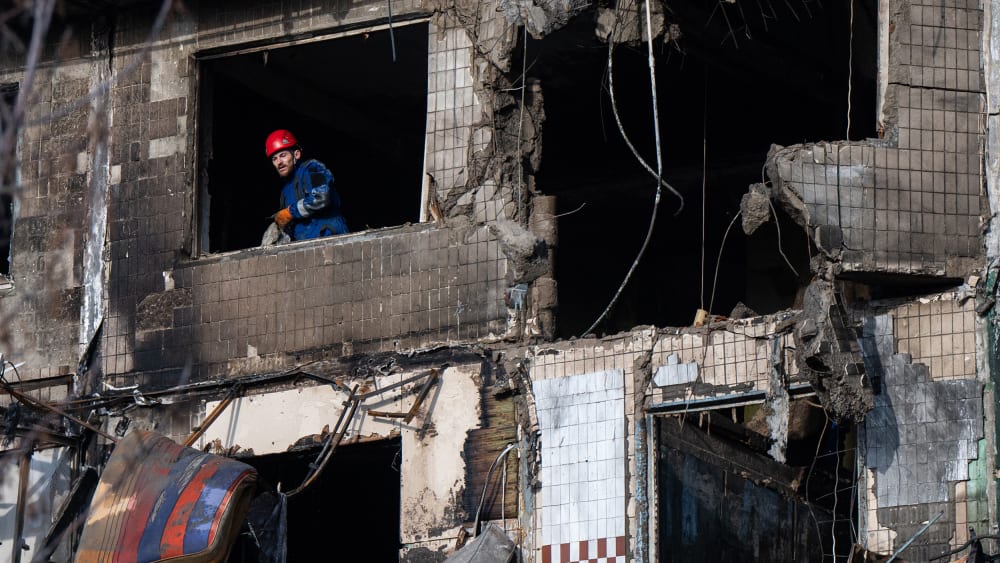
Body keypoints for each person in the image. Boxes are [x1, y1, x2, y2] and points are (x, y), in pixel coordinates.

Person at [265, 129, 348, 241]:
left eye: (283, 155)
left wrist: (290, 212)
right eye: (274, 159)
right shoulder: (285, 192)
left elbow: (321, 198)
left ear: (296, 154)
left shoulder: (311, 168)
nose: (279, 162)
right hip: (305, 248)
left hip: (331, 239)